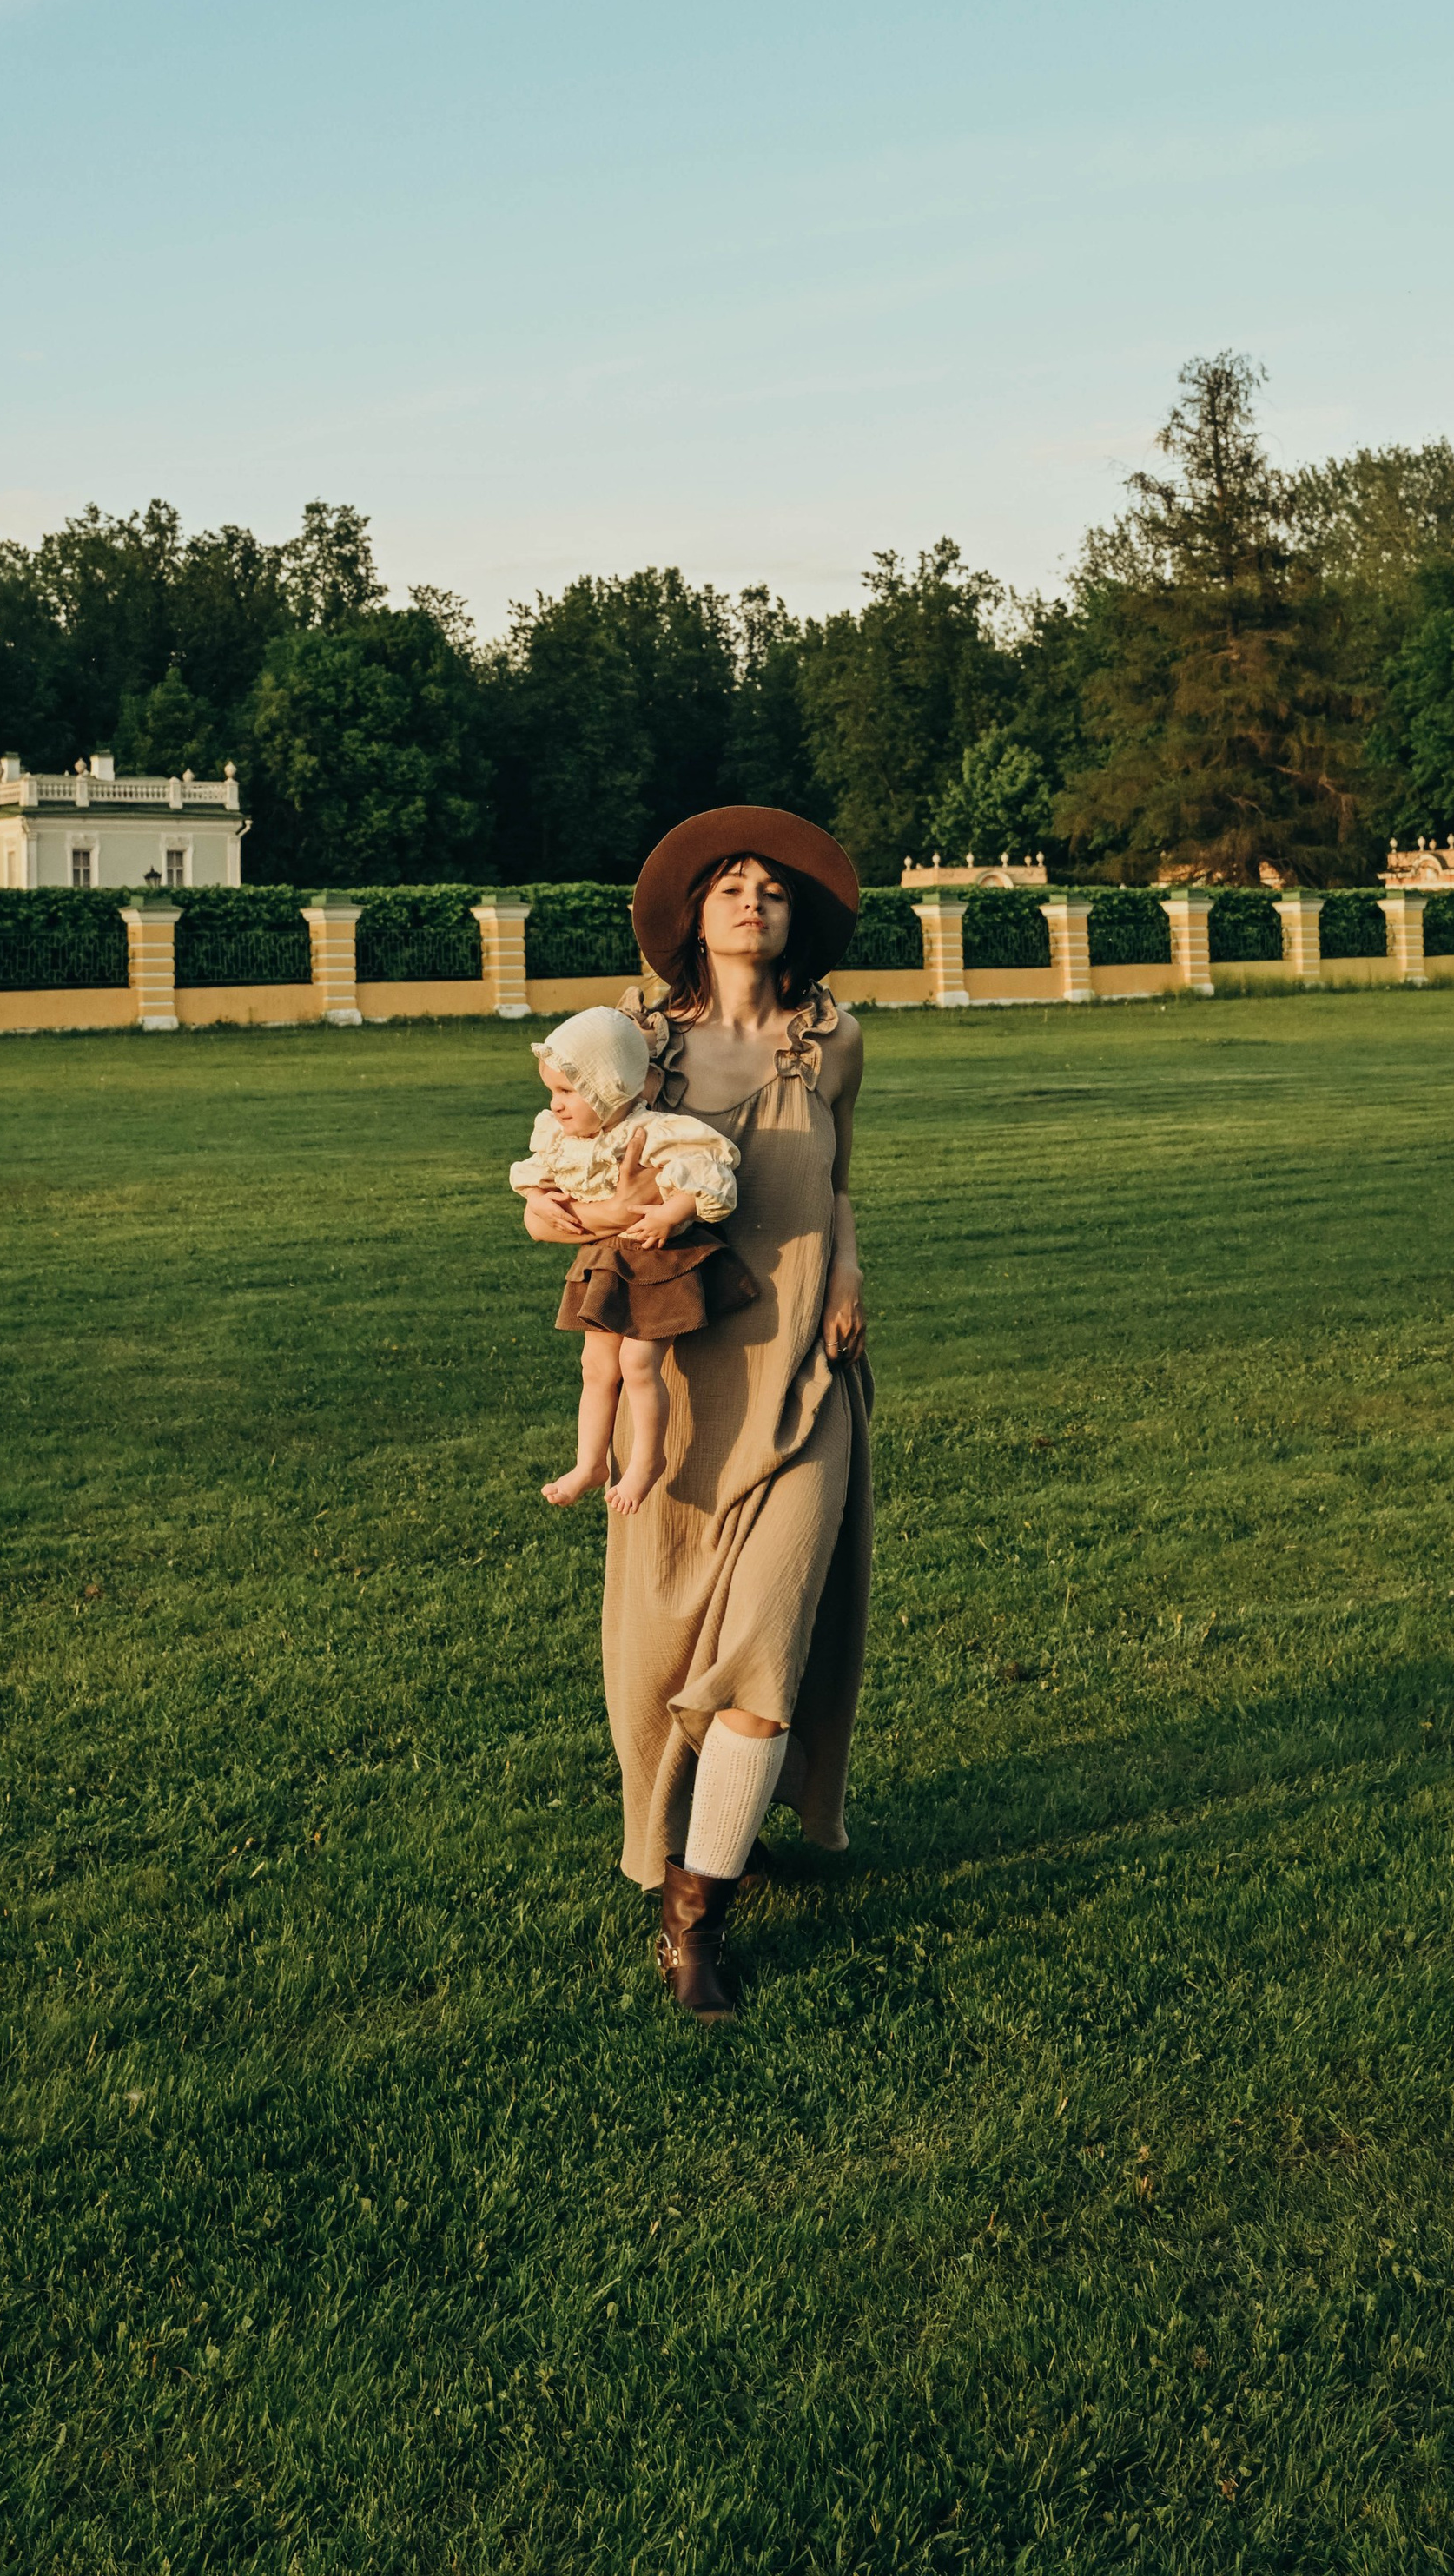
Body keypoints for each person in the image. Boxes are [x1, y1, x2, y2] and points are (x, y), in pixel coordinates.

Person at [517, 807, 870, 2023]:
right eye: (729, 881)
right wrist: (570, 1224)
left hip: (805, 1371)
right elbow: (549, 1187)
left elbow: (838, 1178)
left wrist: (854, 1275)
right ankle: (695, 1821)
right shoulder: (637, 1046)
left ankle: (696, 1912)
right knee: (665, 1633)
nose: (751, 897)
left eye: (772, 885)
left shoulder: (835, 1039)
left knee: (768, 1643)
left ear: (795, 919)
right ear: (693, 914)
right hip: (677, 1371)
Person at [508, 1005, 746, 1515]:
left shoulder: (654, 1131)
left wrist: (671, 1213)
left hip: (657, 1258)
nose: (557, 1106)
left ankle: (646, 1460)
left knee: (638, 1364)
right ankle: (590, 1463)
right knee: (595, 1365)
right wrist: (535, 1197)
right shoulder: (563, 1140)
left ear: (609, 1088)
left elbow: (711, 1176)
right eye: (552, 1092)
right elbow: (531, 1173)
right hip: (606, 1260)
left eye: (569, 1092)